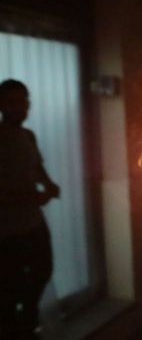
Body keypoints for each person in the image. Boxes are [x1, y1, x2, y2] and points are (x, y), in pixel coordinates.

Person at [0, 79, 60, 339]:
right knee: (10, 285)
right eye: (12, 102)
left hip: (33, 222)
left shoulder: (27, 135)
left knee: (42, 270)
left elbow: (36, 167)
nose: (20, 107)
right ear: (1, 105)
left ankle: (28, 320)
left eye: (24, 101)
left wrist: (48, 184)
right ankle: (18, 328)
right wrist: (30, 197)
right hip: (6, 229)